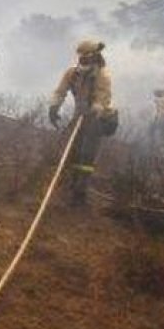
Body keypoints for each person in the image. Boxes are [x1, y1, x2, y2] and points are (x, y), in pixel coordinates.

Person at [49, 40, 113, 206]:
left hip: (98, 118)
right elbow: (60, 91)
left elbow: (103, 97)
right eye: (80, 56)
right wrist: (54, 107)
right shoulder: (72, 73)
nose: (82, 60)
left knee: (86, 155)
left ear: (94, 57)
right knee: (71, 150)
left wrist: (94, 110)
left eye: (86, 57)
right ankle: (68, 186)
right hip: (79, 115)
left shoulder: (102, 75)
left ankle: (80, 193)